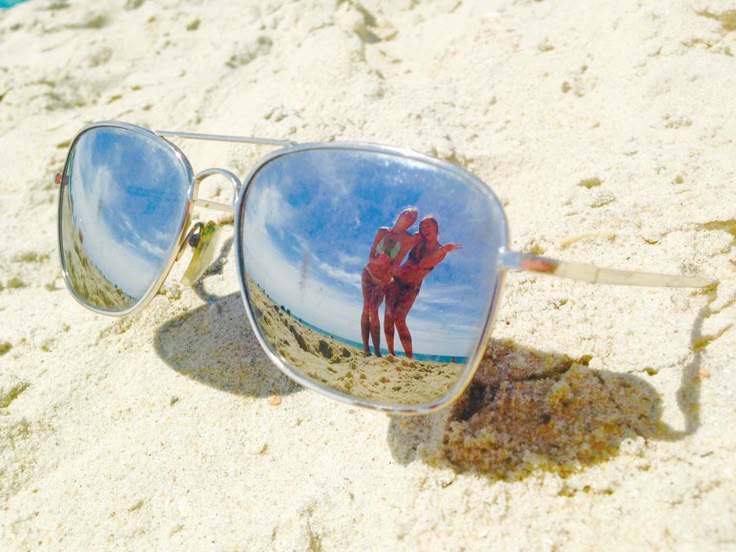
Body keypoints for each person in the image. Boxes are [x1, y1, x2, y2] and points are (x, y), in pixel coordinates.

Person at [383, 216, 461, 358]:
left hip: (411, 288)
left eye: (427, 226)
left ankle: (409, 357)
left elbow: (423, 264)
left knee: (399, 319)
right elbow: (402, 243)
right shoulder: (418, 239)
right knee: (388, 316)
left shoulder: (440, 251)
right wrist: (392, 263)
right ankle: (390, 354)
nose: (423, 229)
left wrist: (443, 250)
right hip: (396, 280)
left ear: (436, 228)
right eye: (421, 226)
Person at [361, 207, 420, 356]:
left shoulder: (407, 238)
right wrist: (377, 260)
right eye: (408, 213)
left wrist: (443, 249)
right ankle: (366, 349)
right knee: (366, 308)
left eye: (413, 218)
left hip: (383, 280)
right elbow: (370, 256)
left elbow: (427, 235)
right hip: (368, 273)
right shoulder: (382, 231)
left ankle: (377, 351)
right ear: (400, 214)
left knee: (373, 311)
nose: (410, 217)